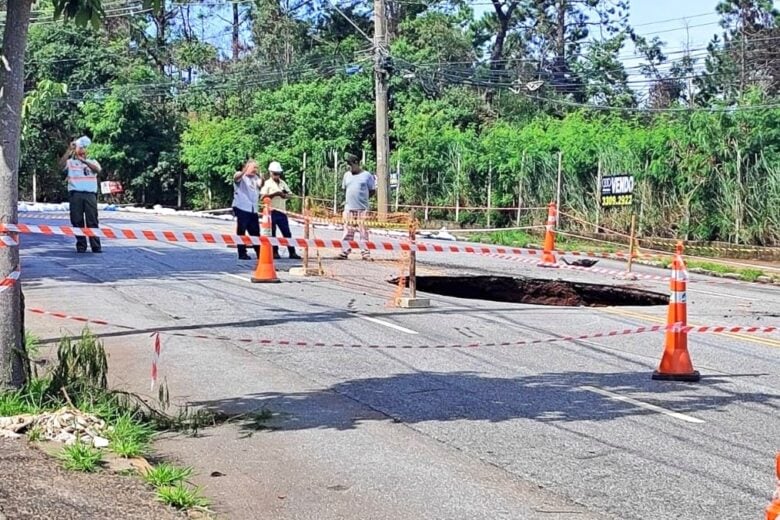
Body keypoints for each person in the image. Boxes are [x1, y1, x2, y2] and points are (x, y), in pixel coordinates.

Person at [59, 137, 102, 253]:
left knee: (92, 220)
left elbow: (98, 170)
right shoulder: (71, 162)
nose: (82, 150)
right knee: (77, 220)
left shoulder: (92, 161)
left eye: (84, 148)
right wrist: (69, 150)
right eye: (80, 148)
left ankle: (96, 245)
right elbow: (60, 166)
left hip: (90, 194)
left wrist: (85, 161)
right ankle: (81, 245)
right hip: (75, 193)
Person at [338, 153, 375, 260]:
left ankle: (365, 253)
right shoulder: (347, 175)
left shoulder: (367, 176)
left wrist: (364, 199)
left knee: (363, 231)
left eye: (350, 164)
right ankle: (344, 251)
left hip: (362, 208)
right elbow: (345, 189)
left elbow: (372, 190)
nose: (349, 167)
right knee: (347, 231)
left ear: (356, 163)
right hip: (349, 208)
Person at [260, 161, 300, 260]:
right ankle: (274, 252)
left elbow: (290, 195)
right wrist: (275, 194)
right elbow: (262, 197)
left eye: (278, 173)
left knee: (287, 233)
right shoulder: (267, 184)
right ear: (270, 172)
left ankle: (292, 252)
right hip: (271, 212)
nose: (277, 175)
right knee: (272, 233)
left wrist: (284, 195)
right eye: (275, 173)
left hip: (282, 211)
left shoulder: (283, 183)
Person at [232, 159, 262, 260]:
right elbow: (236, 178)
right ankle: (242, 253)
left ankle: (259, 253)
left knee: (255, 232)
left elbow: (260, 184)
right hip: (242, 207)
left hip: (253, 209)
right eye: (254, 168)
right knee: (241, 231)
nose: (255, 170)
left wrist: (263, 177)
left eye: (256, 168)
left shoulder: (255, 178)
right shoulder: (241, 176)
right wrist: (244, 171)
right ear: (247, 167)